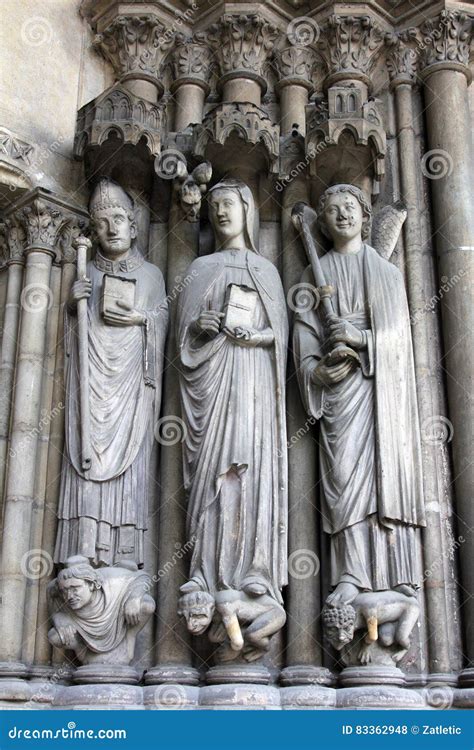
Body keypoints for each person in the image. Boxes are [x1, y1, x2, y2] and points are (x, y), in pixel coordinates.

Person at [293, 184, 425, 608]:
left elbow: (400, 341)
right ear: (324, 223)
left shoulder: (387, 274)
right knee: (343, 476)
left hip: (380, 392)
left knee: (387, 472)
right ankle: (351, 572)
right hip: (340, 393)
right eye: (332, 210)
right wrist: (315, 372)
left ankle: (394, 571)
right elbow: (303, 336)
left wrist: (361, 337)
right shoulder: (312, 275)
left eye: (350, 207)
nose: (343, 215)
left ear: (365, 216)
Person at [176, 178, 288, 619]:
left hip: (255, 385)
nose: (221, 212)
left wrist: (258, 336)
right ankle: (203, 571)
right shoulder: (200, 268)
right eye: (214, 205)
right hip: (213, 384)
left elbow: (282, 339)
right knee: (214, 475)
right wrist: (201, 328)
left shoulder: (268, 271)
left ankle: (255, 570)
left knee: (252, 470)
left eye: (229, 203)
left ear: (247, 210)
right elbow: (181, 347)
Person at [54, 178, 168, 568]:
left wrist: (142, 320)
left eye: (119, 218)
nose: (112, 228)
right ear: (93, 230)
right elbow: (69, 346)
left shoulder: (152, 275)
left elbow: (161, 326)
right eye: (102, 222)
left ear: (134, 225)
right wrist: (74, 309)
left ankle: (123, 554)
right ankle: (83, 548)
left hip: (132, 392)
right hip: (90, 388)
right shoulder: (87, 277)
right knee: (83, 457)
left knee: (132, 463)